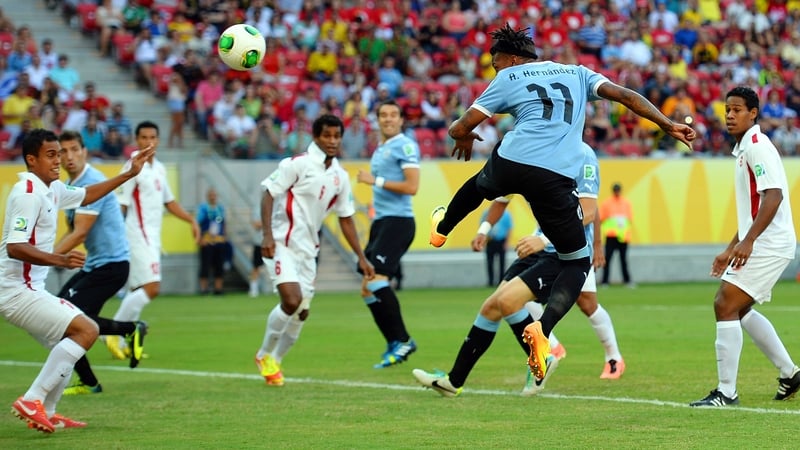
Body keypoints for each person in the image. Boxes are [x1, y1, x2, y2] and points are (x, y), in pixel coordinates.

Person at [427, 24, 694, 381]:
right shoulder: (578, 74)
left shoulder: (508, 77)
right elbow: (625, 96)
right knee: (577, 262)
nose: (495, 68)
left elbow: (462, 126)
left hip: (513, 160)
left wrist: (462, 135)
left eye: (495, 62)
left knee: (479, 186)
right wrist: (666, 124)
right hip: (554, 178)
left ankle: (442, 228)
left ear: (511, 59)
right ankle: (544, 329)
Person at [413, 143, 615, 397]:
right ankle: (454, 382)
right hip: (538, 246)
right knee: (491, 307)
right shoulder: (530, 148)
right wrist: (484, 230)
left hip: (564, 252)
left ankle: (548, 356)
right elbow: (500, 197)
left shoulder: (582, 155)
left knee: (510, 302)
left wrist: (544, 239)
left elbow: (589, 211)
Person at [0, 129, 152, 433]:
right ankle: (32, 399)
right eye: (51, 155)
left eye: (59, 154)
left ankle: (49, 411)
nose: (59, 160)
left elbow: (87, 194)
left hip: (28, 289)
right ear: (31, 160)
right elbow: (15, 247)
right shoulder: (28, 194)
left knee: (69, 342)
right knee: (87, 329)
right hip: (15, 291)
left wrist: (127, 174)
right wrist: (59, 259)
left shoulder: (52, 188)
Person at [690, 86, 800, 407]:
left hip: (770, 242)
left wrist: (749, 241)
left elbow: (774, 196)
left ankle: (726, 392)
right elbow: (753, 211)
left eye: (737, 110)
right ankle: (790, 373)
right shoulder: (745, 150)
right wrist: (731, 247)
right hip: (765, 240)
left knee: (725, 303)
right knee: (738, 309)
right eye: (727, 110)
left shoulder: (757, 147)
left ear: (753, 113)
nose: (730, 115)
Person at [254, 114, 375, 386]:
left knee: (302, 312)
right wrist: (267, 235)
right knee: (292, 300)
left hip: (309, 250)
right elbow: (268, 193)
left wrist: (361, 257)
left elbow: (346, 218)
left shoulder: (340, 177)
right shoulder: (296, 164)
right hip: (282, 244)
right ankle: (263, 355)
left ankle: (276, 360)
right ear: (316, 136)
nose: (332, 141)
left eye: (337, 136)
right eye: (327, 135)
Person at [54, 131, 148, 397]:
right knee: (67, 322)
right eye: (63, 151)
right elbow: (71, 230)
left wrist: (44, 258)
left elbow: (80, 232)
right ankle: (90, 381)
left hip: (111, 266)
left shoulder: (92, 181)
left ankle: (129, 330)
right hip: (96, 265)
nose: (69, 156)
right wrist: (49, 254)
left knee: (62, 318)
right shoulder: (71, 185)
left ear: (84, 151)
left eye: (74, 149)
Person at [105, 121, 200, 359]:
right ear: (136, 140)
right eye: (144, 137)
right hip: (136, 235)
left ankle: (125, 342)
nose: (148, 142)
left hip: (152, 237)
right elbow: (121, 204)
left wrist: (191, 220)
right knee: (152, 287)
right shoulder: (133, 166)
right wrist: (115, 238)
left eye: (152, 137)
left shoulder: (159, 168)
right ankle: (111, 333)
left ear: (158, 140)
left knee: (137, 289)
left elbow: (169, 201)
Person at [355, 101, 421, 368]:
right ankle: (394, 342)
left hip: (398, 221)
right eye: (383, 115)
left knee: (376, 281)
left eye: (394, 115)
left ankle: (403, 340)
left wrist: (376, 181)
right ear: (378, 120)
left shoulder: (405, 146)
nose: (388, 119)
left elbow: (412, 186)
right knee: (367, 288)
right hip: (381, 222)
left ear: (401, 120)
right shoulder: (381, 148)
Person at [599, 182, 634, 287]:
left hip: (623, 236)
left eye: (618, 190)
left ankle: (627, 280)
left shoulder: (626, 203)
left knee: (623, 260)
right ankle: (605, 281)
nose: (617, 192)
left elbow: (629, 219)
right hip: (611, 236)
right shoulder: (607, 203)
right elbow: (601, 218)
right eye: (615, 190)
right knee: (608, 259)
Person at [196, 188, 227, 295]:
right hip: (207, 240)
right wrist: (200, 239)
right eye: (211, 195)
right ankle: (203, 289)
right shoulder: (203, 208)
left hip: (219, 240)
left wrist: (224, 237)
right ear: (207, 196)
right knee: (205, 265)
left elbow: (224, 223)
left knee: (219, 266)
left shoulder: (220, 208)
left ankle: (218, 289)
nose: (213, 197)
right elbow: (197, 224)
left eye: (214, 195)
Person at [480, 206, 512, 287]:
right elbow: (482, 225)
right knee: (490, 262)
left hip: (501, 240)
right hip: (490, 240)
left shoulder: (506, 214)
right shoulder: (487, 213)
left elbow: (509, 228)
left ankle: (501, 281)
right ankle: (490, 281)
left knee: (502, 262)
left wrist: (507, 242)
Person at [249, 203, 266, 298]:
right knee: (256, 266)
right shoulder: (257, 208)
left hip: (274, 243)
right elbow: (256, 224)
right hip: (259, 242)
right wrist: (268, 222)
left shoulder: (277, 207)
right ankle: (253, 289)